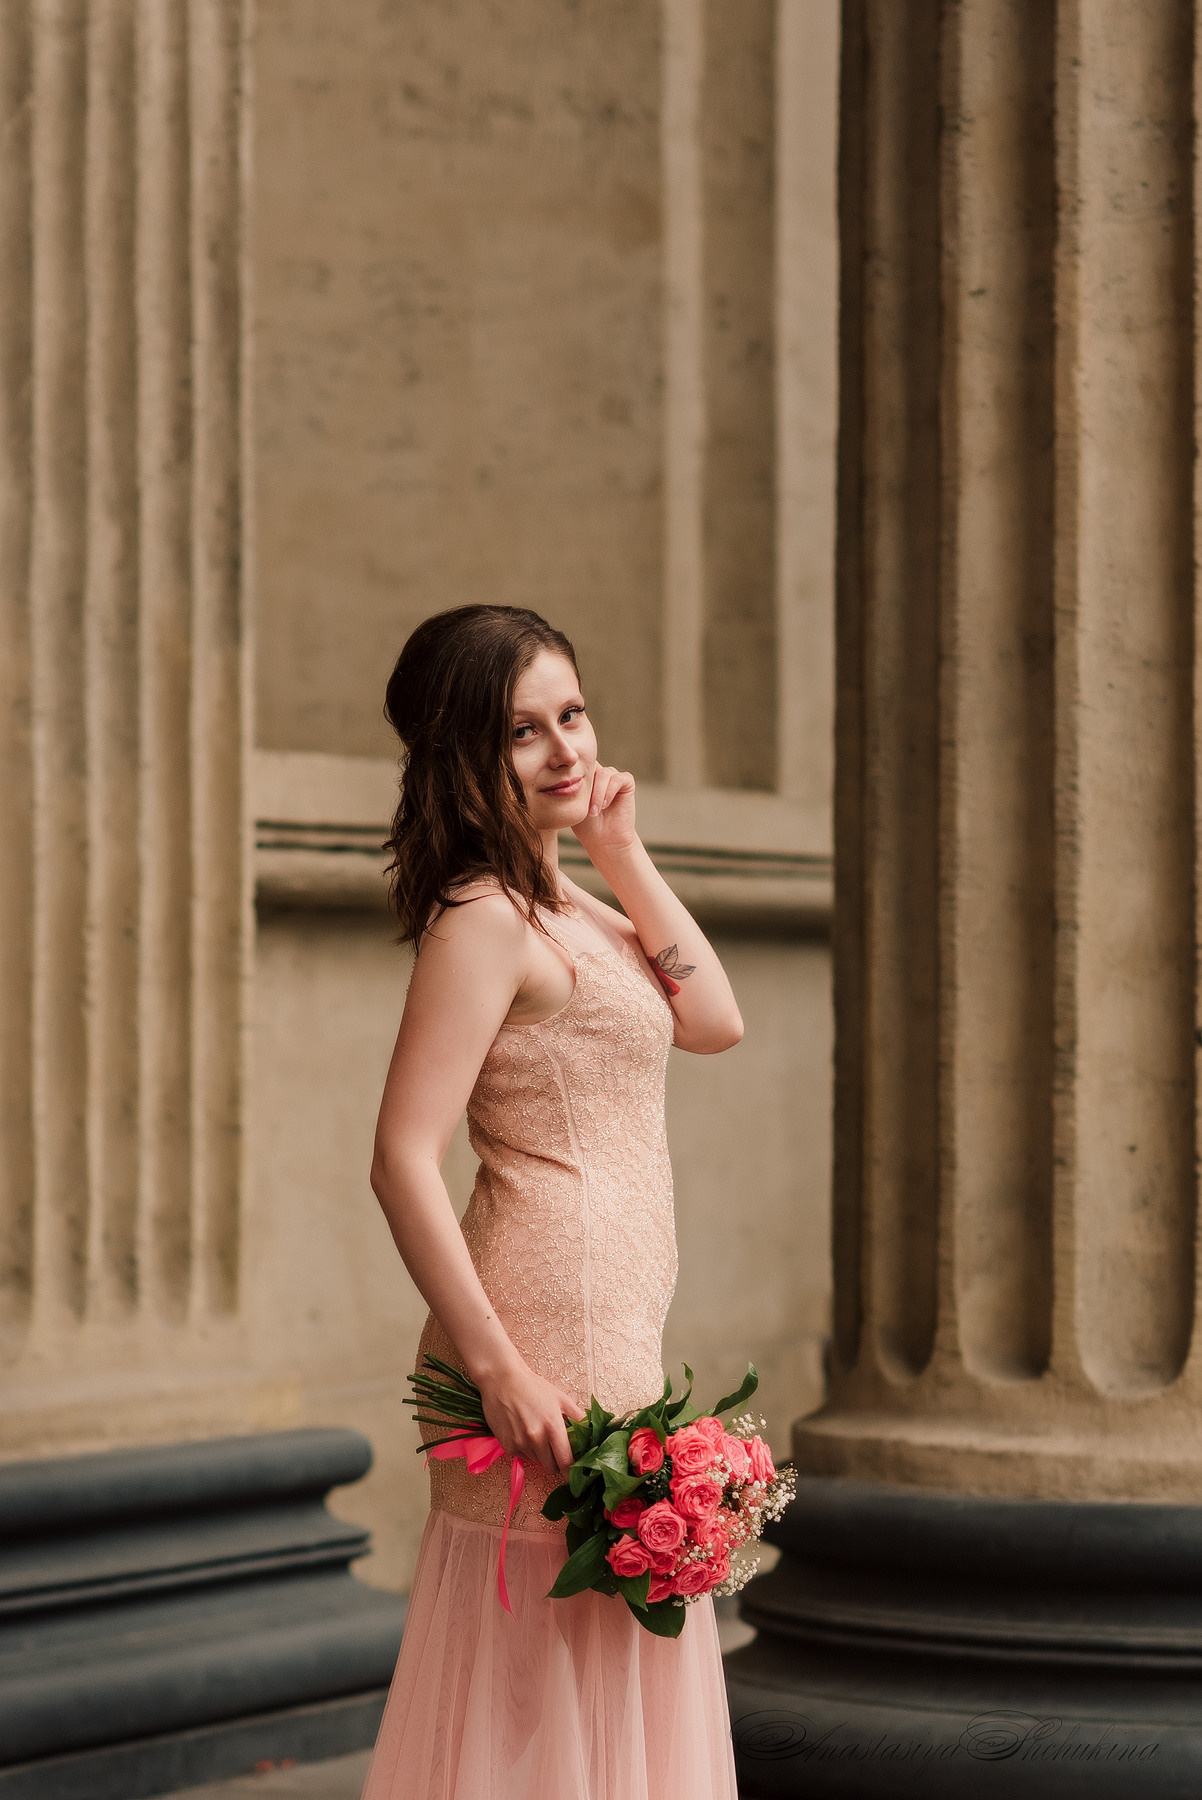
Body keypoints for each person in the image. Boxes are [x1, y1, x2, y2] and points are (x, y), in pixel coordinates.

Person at [361, 605, 744, 1800]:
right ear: (463, 758)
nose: (565, 750)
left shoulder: (569, 906)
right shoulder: (482, 921)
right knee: (551, 1657)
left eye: (570, 714)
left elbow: (715, 1022)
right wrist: (497, 1369)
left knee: (595, 1650)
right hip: (538, 1329)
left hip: (611, 1319)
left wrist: (623, 853)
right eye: (522, 732)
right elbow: (399, 1157)